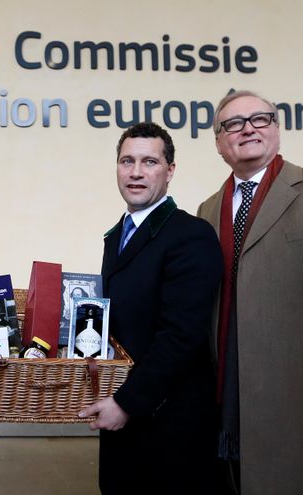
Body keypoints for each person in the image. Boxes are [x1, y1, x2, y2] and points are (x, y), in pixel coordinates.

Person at [197, 90, 303, 494]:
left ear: (277, 129)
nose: (248, 128)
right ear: (219, 143)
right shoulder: (207, 210)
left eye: (260, 118)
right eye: (233, 123)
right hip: (230, 386)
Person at [79, 122, 222, 494]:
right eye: (127, 161)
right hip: (125, 412)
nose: (136, 172)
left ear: (170, 170)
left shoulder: (191, 234)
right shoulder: (118, 236)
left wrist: (126, 402)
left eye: (149, 162)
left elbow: (182, 335)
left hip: (169, 421)